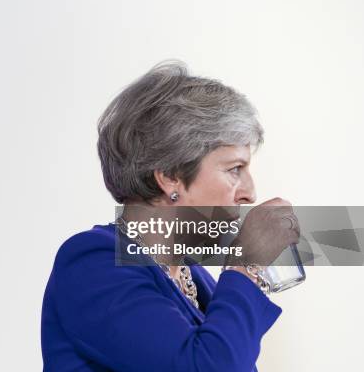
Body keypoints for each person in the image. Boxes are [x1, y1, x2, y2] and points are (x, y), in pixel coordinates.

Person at [41, 62, 300, 371]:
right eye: (234, 169)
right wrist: (244, 263)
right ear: (171, 176)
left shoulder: (193, 277)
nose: (250, 192)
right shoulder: (93, 261)